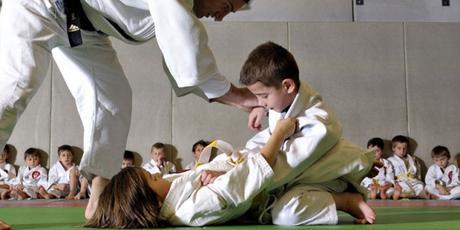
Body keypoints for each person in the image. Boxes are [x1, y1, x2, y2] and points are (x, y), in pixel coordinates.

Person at [0, 0, 258, 219]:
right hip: (40, 5)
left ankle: (100, 196)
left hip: (82, 26)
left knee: (113, 99)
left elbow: (177, 48)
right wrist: (242, 98)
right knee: (15, 87)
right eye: (226, 5)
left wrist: (241, 99)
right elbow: (186, 48)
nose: (221, 16)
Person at [235, 41, 376, 225]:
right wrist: (238, 162)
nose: (260, 102)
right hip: (299, 177)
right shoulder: (283, 102)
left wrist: (238, 177)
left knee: (285, 215)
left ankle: (345, 200)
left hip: (326, 179)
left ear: (287, 86)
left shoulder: (319, 123)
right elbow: (268, 140)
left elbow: (282, 165)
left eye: (263, 96)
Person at [86, 118, 296, 228]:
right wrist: (279, 133)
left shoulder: (166, 192)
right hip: (276, 180)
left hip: (249, 157)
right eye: (153, 177)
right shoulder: (194, 209)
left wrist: (217, 171)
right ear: (156, 203)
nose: (158, 175)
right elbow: (253, 173)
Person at [387, 135, 428, 200]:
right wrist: (394, 183)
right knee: (400, 188)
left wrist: (418, 180)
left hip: (413, 181)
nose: (402, 151)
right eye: (399, 148)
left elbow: (418, 172)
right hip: (400, 181)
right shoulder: (390, 160)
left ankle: (417, 194)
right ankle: (409, 195)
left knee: (420, 186)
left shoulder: (412, 159)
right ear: (393, 148)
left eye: (404, 148)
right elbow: (389, 174)